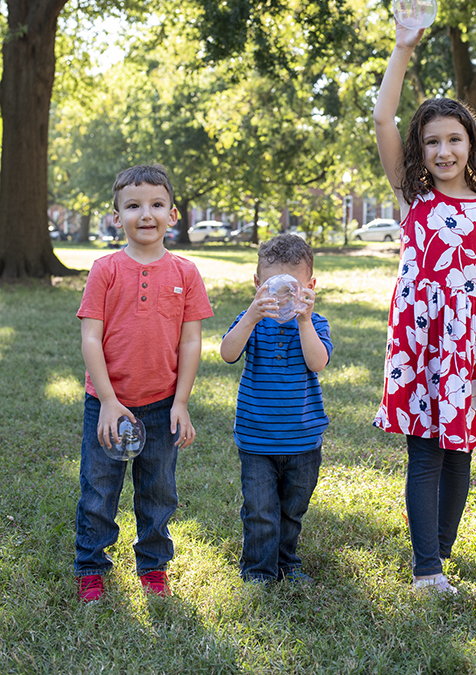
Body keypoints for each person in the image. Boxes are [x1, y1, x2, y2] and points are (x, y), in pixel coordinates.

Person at [372, 13, 476, 593]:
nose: (444, 149)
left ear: (470, 143)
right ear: (420, 150)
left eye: (455, 139)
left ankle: (442, 550)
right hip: (418, 343)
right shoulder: (413, 199)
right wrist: (404, 47)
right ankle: (425, 566)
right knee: (426, 453)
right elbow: (383, 116)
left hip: (467, 348)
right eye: (432, 141)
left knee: (461, 455)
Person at [74, 164, 213, 602]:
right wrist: (110, 402)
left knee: (157, 491)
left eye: (156, 204)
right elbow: (90, 337)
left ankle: (153, 566)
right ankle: (91, 567)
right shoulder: (105, 269)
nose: (145, 213)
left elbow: (191, 342)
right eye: (133, 205)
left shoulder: (186, 273)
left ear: (173, 214)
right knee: (99, 489)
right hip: (107, 404)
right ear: (117, 217)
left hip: (161, 403)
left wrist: (182, 402)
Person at [220, 234, 332, 583]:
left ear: (310, 287)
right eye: (273, 287)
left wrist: (303, 321)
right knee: (260, 510)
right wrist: (251, 318)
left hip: (303, 439)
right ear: (257, 285)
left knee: (292, 510)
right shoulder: (249, 321)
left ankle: (287, 561)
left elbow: (318, 363)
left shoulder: (315, 324)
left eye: (292, 288)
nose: (283, 297)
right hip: (257, 438)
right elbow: (227, 353)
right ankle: (258, 569)